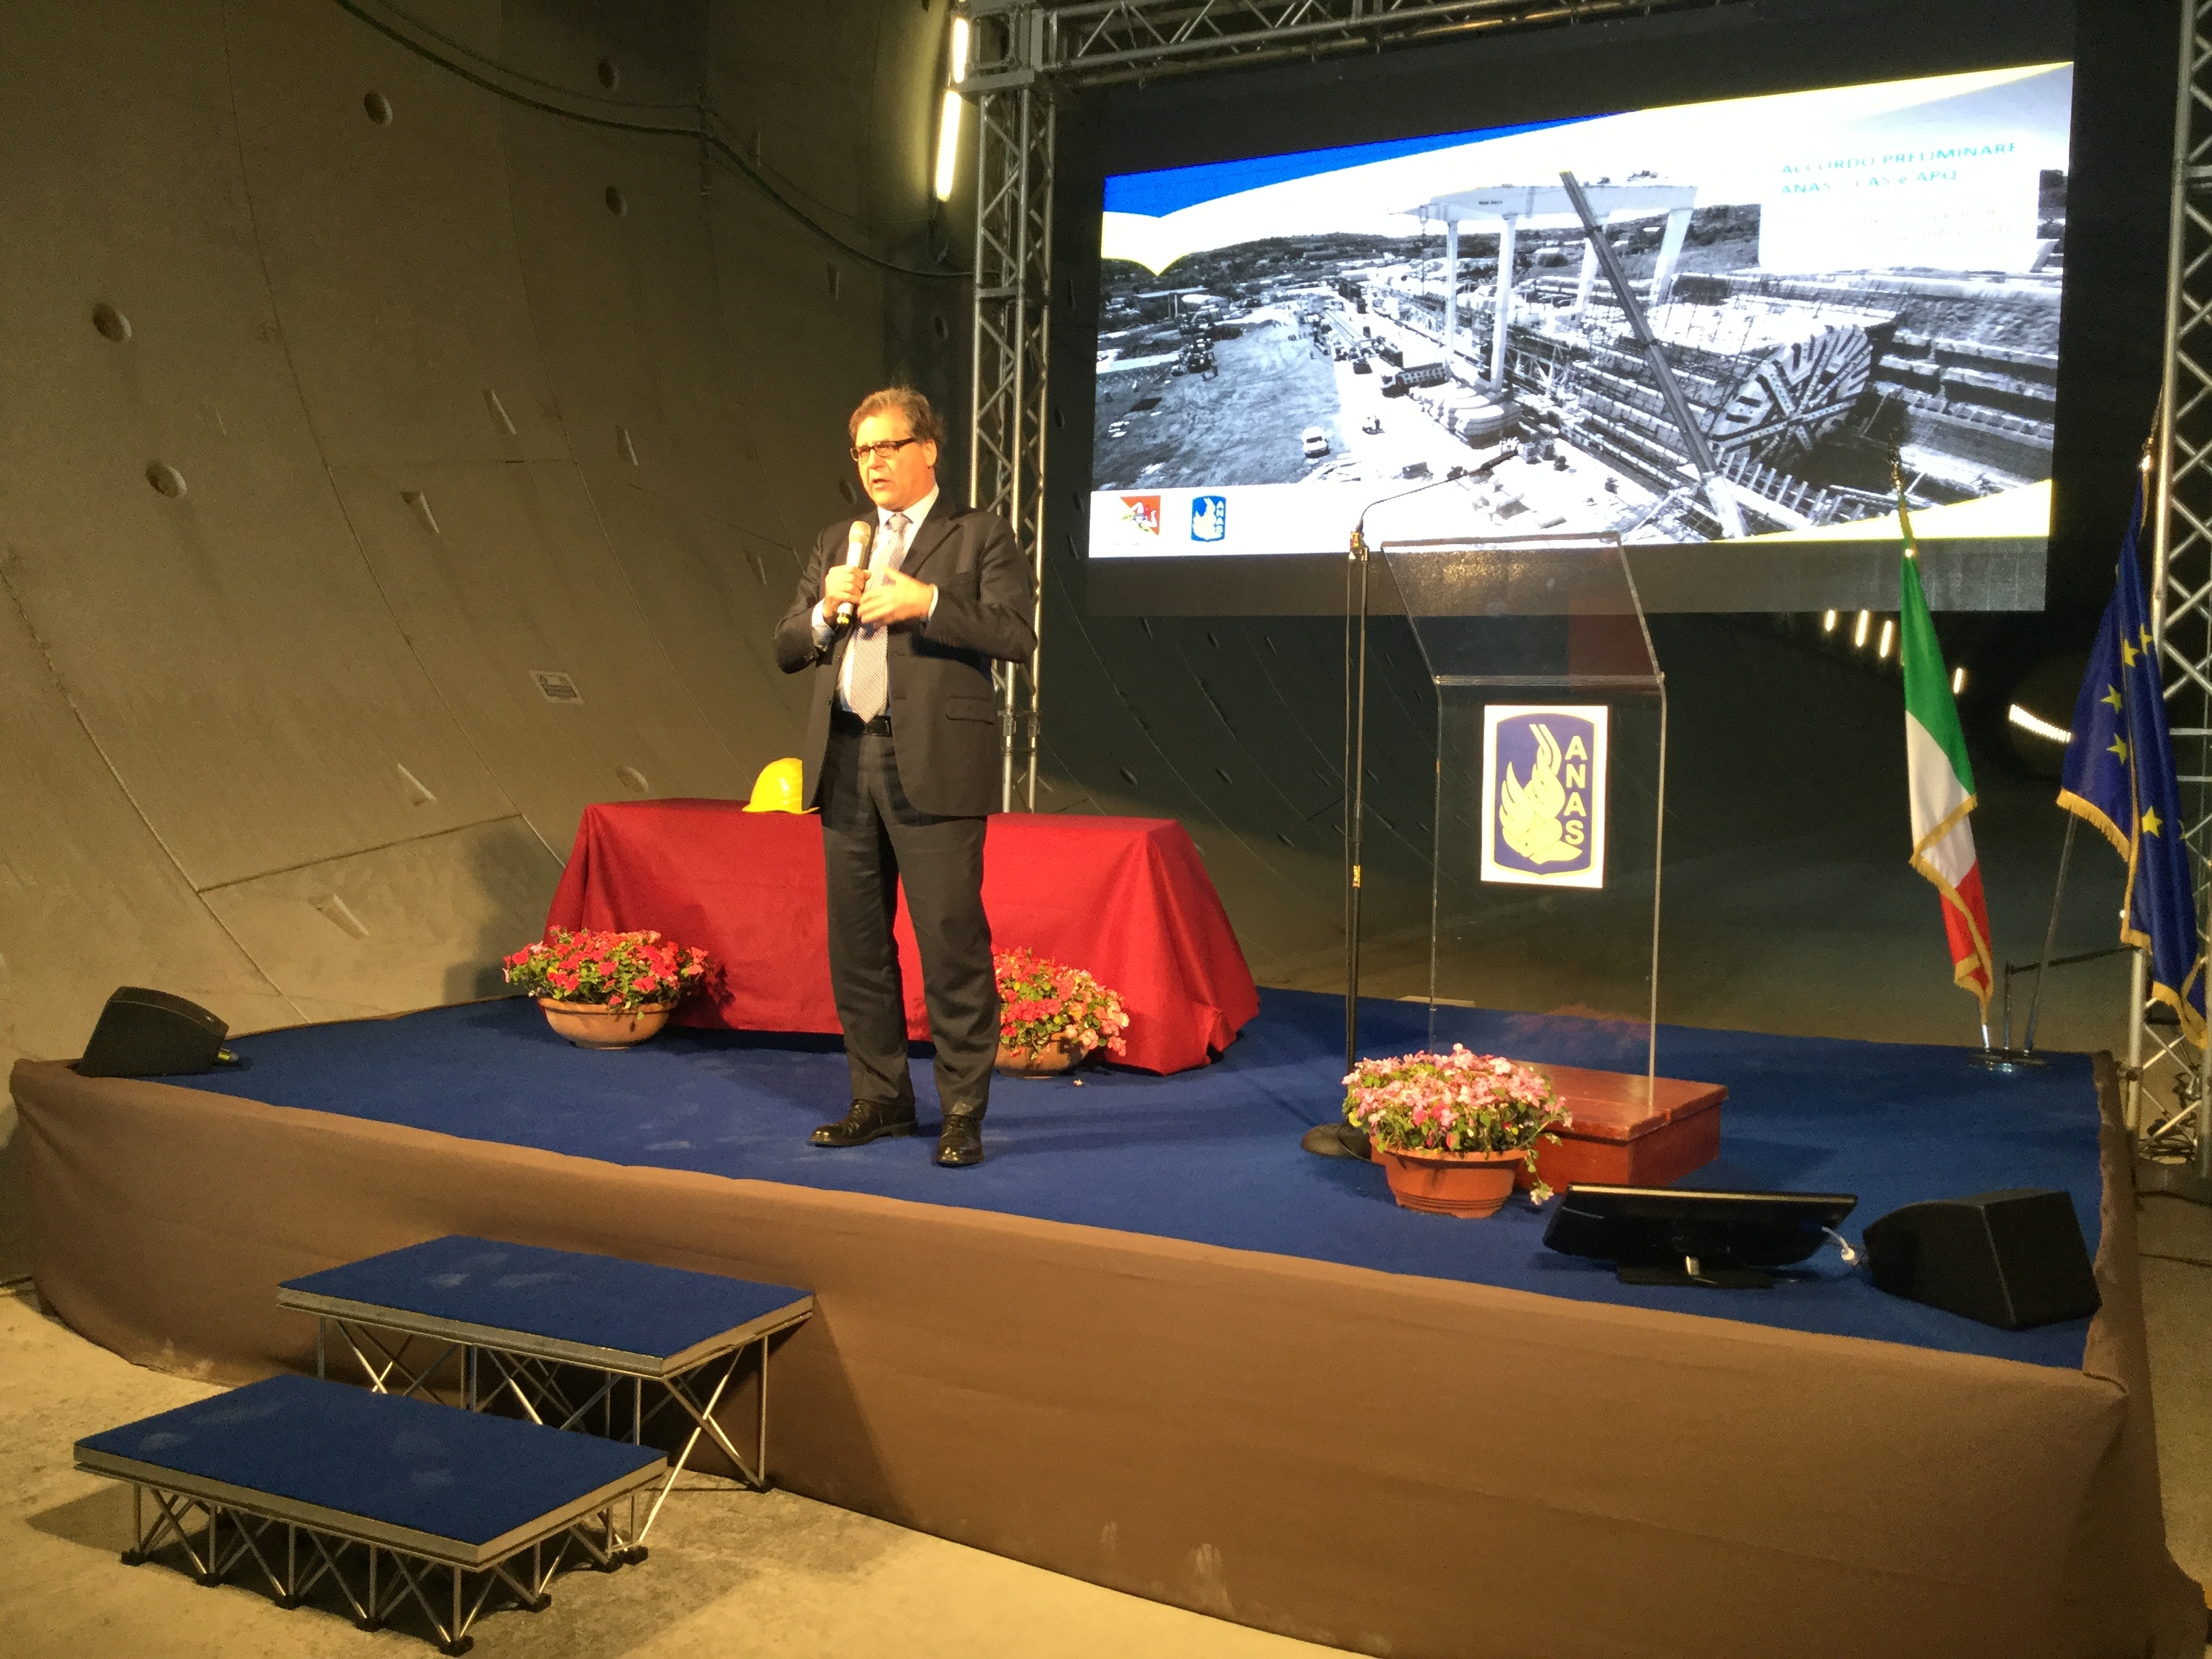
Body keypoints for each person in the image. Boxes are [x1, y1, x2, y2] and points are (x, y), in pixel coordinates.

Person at [773, 388, 1036, 1166]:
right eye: (862, 451)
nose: (874, 463)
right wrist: (822, 613)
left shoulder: (978, 534)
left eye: (888, 447)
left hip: (934, 760)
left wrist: (929, 602)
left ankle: (962, 1111)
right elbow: (788, 646)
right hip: (845, 758)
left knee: (951, 941)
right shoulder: (839, 541)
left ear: (928, 450)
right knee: (857, 944)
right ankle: (882, 1098)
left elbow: (1015, 634)